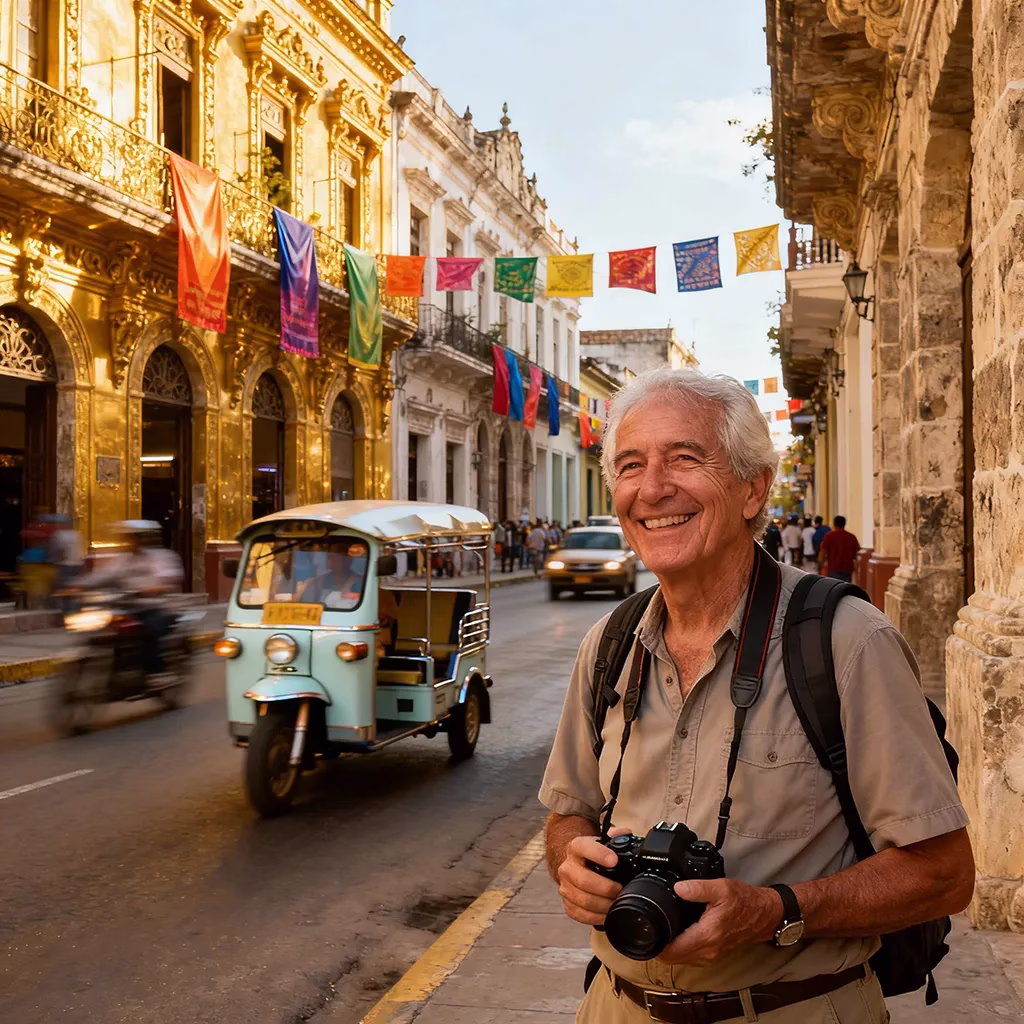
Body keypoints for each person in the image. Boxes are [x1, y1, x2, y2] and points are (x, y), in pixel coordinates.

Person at [539, 367, 973, 1023]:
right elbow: (566, 815)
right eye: (631, 466)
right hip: (615, 1008)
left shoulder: (847, 642)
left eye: (684, 459)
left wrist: (777, 910)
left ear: (753, 488)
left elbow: (944, 873)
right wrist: (573, 864)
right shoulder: (608, 644)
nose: (652, 489)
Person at [74, 522, 183, 677]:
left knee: (149, 629)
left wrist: (151, 589)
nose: (129, 541)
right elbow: (103, 576)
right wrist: (78, 586)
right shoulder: (123, 559)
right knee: (108, 630)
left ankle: (156, 673)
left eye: (133, 538)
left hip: (155, 608)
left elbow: (165, 580)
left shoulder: (162, 558)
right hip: (127, 606)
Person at [819, 515, 860, 583]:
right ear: (844, 524)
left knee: (834, 588)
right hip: (847, 569)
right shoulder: (851, 537)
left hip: (833, 568)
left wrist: (821, 565)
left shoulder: (829, 536)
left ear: (834, 524)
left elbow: (823, 552)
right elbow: (855, 554)